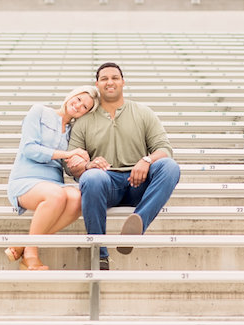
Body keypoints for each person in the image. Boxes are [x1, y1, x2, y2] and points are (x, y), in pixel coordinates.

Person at [66, 62, 180, 270]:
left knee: (170, 167)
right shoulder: (83, 122)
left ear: (123, 82)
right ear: (97, 84)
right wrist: (88, 165)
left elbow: (164, 149)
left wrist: (146, 161)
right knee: (91, 177)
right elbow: (71, 166)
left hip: (139, 182)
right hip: (105, 184)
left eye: (115, 78)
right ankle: (100, 254)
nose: (110, 82)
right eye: (104, 79)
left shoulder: (143, 112)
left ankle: (136, 227)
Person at [5, 85, 99, 270]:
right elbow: (29, 149)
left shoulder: (73, 131)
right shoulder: (39, 111)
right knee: (56, 195)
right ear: (72, 94)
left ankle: (24, 243)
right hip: (26, 179)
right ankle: (30, 255)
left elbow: (71, 166)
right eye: (79, 99)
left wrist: (83, 161)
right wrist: (68, 154)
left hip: (54, 183)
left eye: (85, 107)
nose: (79, 106)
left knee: (78, 199)